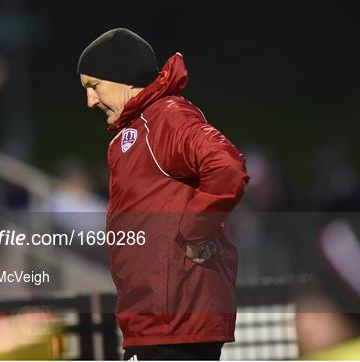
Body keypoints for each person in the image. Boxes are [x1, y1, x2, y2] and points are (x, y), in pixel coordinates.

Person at [77, 28, 249, 360]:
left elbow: (227, 166)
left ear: (123, 77)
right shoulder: (138, 129)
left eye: (94, 86)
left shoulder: (167, 116)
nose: (90, 101)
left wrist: (195, 231)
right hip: (159, 322)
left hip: (175, 322)